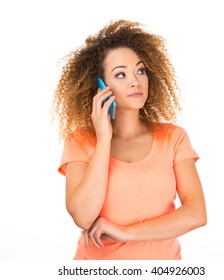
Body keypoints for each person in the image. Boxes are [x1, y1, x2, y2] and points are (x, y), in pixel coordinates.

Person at [52, 19, 207, 260]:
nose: (135, 81)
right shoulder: (80, 141)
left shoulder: (174, 138)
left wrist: (125, 232)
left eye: (140, 70)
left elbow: (197, 213)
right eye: (120, 74)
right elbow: (82, 216)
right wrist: (104, 139)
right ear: (100, 86)